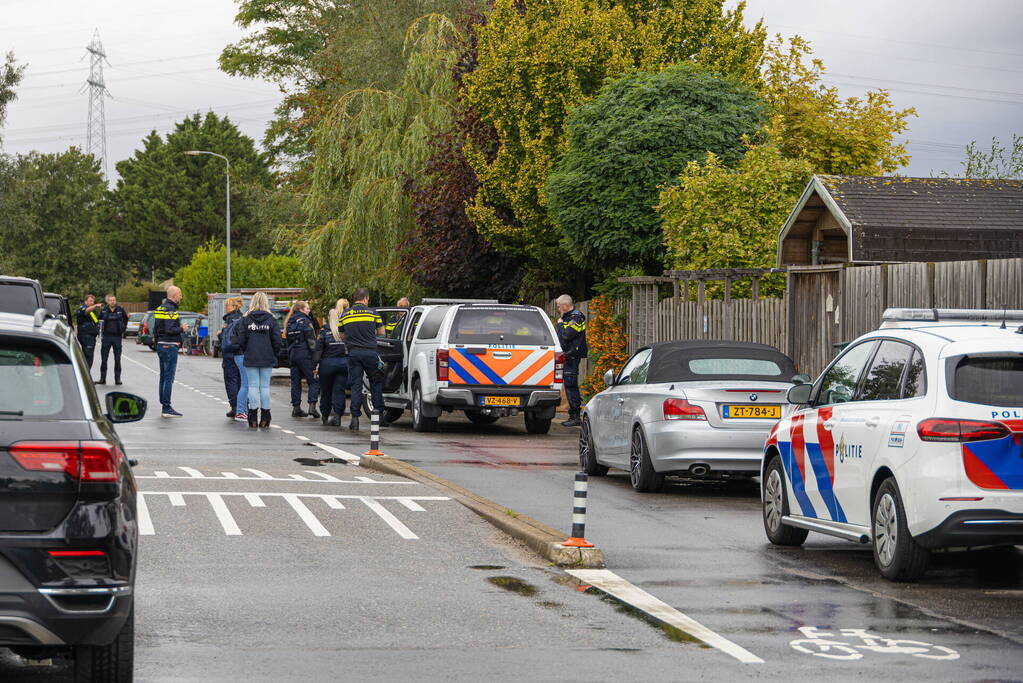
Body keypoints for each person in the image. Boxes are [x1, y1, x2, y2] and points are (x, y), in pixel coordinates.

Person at [339, 288, 385, 431]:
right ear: (365, 299)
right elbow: (381, 332)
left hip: (354, 353)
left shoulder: (345, 314)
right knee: (375, 383)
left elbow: (341, 335)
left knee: (356, 386)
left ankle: (355, 419)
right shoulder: (373, 313)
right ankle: (379, 415)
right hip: (370, 353)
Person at [237, 291, 281, 428]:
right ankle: (266, 416)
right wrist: (273, 353)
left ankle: (253, 417)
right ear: (266, 302)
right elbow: (277, 341)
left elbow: (241, 340)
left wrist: (247, 350)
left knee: (253, 386)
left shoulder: (246, 319)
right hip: (267, 356)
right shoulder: (272, 320)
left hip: (251, 356)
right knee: (265, 386)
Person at [154, 286, 189, 418]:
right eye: (180, 294)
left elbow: (157, 328)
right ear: (174, 295)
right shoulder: (170, 309)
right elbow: (170, 329)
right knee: (169, 377)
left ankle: (164, 404)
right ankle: (166, 407)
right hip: (169, 345)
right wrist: (182, 328)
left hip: (161, 344)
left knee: (163, 376)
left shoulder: (160, 308)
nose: (181, 296)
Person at [555, 294, 587, 428]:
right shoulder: (567, 317)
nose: (558, 308)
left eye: (559, 306)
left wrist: (561, 325)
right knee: (569, 385)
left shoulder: (576, 317)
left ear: (565, 305)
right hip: (567, 355)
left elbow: (567, 335)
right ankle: (573, 414)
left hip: (572, 355)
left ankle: (575, 416)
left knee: (571, 384)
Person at [284, 300, 320, 419]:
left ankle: (296, 408)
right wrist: (316, 357)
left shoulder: (290, 321)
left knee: (295, 382)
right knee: (313, 381)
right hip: (304, 354)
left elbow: (287, 340)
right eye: (307, 308)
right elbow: (311, 341)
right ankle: (312, 406)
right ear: (301, 309)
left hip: (293, 355)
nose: (309, 310)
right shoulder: (305, 321)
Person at [313, 306, 349, 426]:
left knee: (326, 391)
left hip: (327, 365)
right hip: (343, 364)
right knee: (339, 391)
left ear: (329, 318)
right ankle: (337, 415)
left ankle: (325, 415)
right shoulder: (344, 332)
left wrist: (314, 365)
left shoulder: (324, 331)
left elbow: (318, 350)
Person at [219, 297, 245, 419]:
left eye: (228, 305)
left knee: (231, 381)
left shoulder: (231, 320)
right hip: (241, 354)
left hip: (230, 354)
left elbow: (233, 339)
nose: (226, 308)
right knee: (241, 381)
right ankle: (242, 406)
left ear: (234, 307)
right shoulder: (243, 318)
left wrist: (221, 335)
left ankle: (235, 407)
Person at [97, 294, 129, 385]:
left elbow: (126, 319)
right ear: (108, 301)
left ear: (116, 301)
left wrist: (123, 328)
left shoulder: (120, 309)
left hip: (117, 337)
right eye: (111, 300)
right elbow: (98, 320)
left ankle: (117, 379)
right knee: (104, 359)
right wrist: (99, 330)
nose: (112, 302)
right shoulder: (104, 310)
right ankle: (102, 379)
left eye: (114, 300)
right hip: (106, 336)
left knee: (117, 359)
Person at [74, 294, 102, 373]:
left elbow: (96, 322)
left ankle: (86, 375)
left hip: (91, 337)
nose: (92, 302)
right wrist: (96, 306)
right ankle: (85, 376)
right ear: (85, 301)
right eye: (90, 301)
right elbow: (85, 311)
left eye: (93, 301)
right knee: (88, 357)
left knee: (89, 357)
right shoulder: (83, 308)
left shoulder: (91, 312)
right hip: (86, 336)